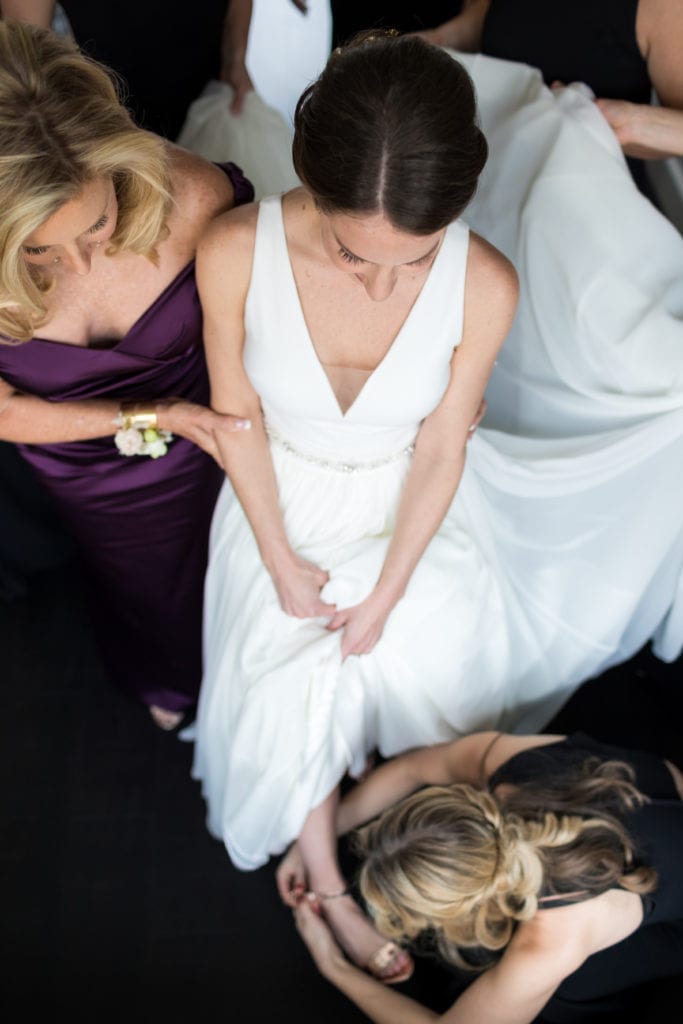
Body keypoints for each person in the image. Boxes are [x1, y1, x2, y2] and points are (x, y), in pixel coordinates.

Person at [190, 28, 683, 982]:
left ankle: (401, 834)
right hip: (272, 493)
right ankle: (326, 878)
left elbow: (442, 444)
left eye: (414, 261)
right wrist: (281, 555)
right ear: (310, 184)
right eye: (350, 250)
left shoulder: (484, 283)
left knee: (429, 668)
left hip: (410, 506)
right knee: (282, 661)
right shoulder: (235, 247)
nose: (380, 282)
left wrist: (387, 588)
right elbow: (235, 413)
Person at [0, 19, 254, 729]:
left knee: (233, 559)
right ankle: (169, 675)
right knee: (136, 579)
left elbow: (257, 322)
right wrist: (153, 418)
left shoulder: (196, 198)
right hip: (80, 464)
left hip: (217, 433)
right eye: (38, 251)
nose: (76, 266)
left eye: (97, 226)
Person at [287, 729, 683, 1022]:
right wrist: (311, 842)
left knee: (547, 991)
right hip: (656, 811)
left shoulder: (549, 936)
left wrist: (333, 967)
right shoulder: (509, 767)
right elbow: (409, 769)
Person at [417, 0, 683, 198]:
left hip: (590, 200)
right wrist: (437, 41)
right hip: (491, 175)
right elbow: (486, 20)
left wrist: (633, 124)